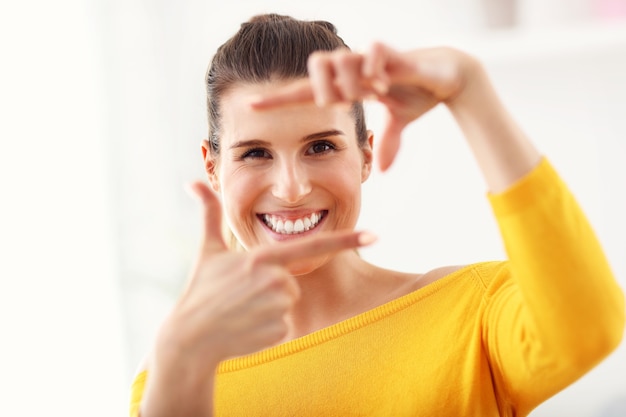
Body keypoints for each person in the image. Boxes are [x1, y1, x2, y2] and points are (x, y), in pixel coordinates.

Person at [129, 13, 624, 417]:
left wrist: (469, 91)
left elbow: (589, 328)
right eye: (255, 153)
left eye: (320, 145)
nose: (292, 187)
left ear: (366, 154)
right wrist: (177, 362)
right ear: (212, 168)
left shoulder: (468, 314)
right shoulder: (176, 378)